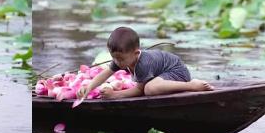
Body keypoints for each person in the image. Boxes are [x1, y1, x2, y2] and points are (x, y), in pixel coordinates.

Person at [77, 26, 214, 100]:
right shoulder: (121, 59)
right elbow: (105, 74)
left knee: (149, 89)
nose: (118, 62)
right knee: (150, 86)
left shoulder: (143, 63)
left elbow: (139, 90)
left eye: (121, 59)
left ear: (136, 53)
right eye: (115, 58)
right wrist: (88, 87)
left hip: (176, 72)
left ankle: (192, 85)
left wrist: (115, 95)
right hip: (163, 75)